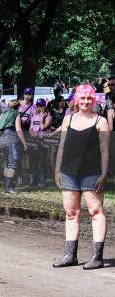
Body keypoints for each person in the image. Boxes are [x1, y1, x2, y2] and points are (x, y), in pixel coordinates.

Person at [53, 84, 110, 269]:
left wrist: (103, 174)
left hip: (92, 173)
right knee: (71, 213)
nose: (85, 101)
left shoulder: (100, 121)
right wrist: (57, 170)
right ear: (77, 99)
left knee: (95, 211)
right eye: (82, 98)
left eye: (89, 98)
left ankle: (97, 257)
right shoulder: (67, 120)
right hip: (69, 173)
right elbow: (61, 147)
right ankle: (70, 255)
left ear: (93, 100)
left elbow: (105, 151)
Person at [0, 100, 28, 193]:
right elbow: (18, 129)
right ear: (18, 107)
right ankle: (9, 188)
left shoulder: (3, 114)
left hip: (2, 140)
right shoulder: (16, 113)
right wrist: (24, 143)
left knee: (7, 164)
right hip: (12, 139)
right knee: (13, 164)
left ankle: (5, 187)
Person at [28, 99, 51, 190]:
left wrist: (41, 118)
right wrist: (32, 134)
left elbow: (42, 127)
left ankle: (42, 181)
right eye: (37, 106)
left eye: (41, 106)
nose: (39, 108)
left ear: (44, 107)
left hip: (43, 141)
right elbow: (30, 128)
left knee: (42, 162)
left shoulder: (48, 117)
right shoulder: (34, 116)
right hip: (34, 141)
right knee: (33, 161)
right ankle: (34, 180)